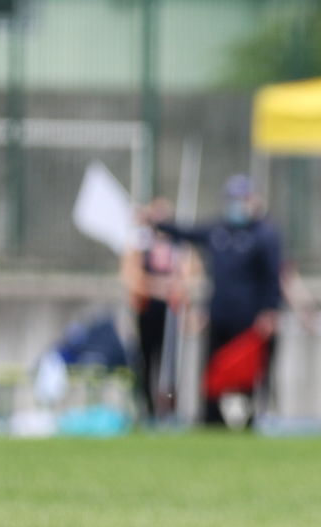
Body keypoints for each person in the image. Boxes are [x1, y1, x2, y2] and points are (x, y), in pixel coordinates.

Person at [158, 176, 287, 427]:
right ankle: (210, 418)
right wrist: (159, 223)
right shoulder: (218, 230)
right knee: (213, 370)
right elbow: (186, 232)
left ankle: (244, 420)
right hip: (219, 315)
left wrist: (270, 310)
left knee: (244, 372)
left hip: (249, 318)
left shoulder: (265, 235)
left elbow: (273, 276)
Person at [120, 198, 183, 420]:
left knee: (170, 364)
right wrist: (159, 287)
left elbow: (189, 278)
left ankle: (169, 408)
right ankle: (146, 408)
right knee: (145, 361)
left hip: (171, 314)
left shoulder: (179, 247)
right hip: (146, 312)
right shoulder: (140, 245)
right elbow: (132, 278)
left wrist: (175, 289)